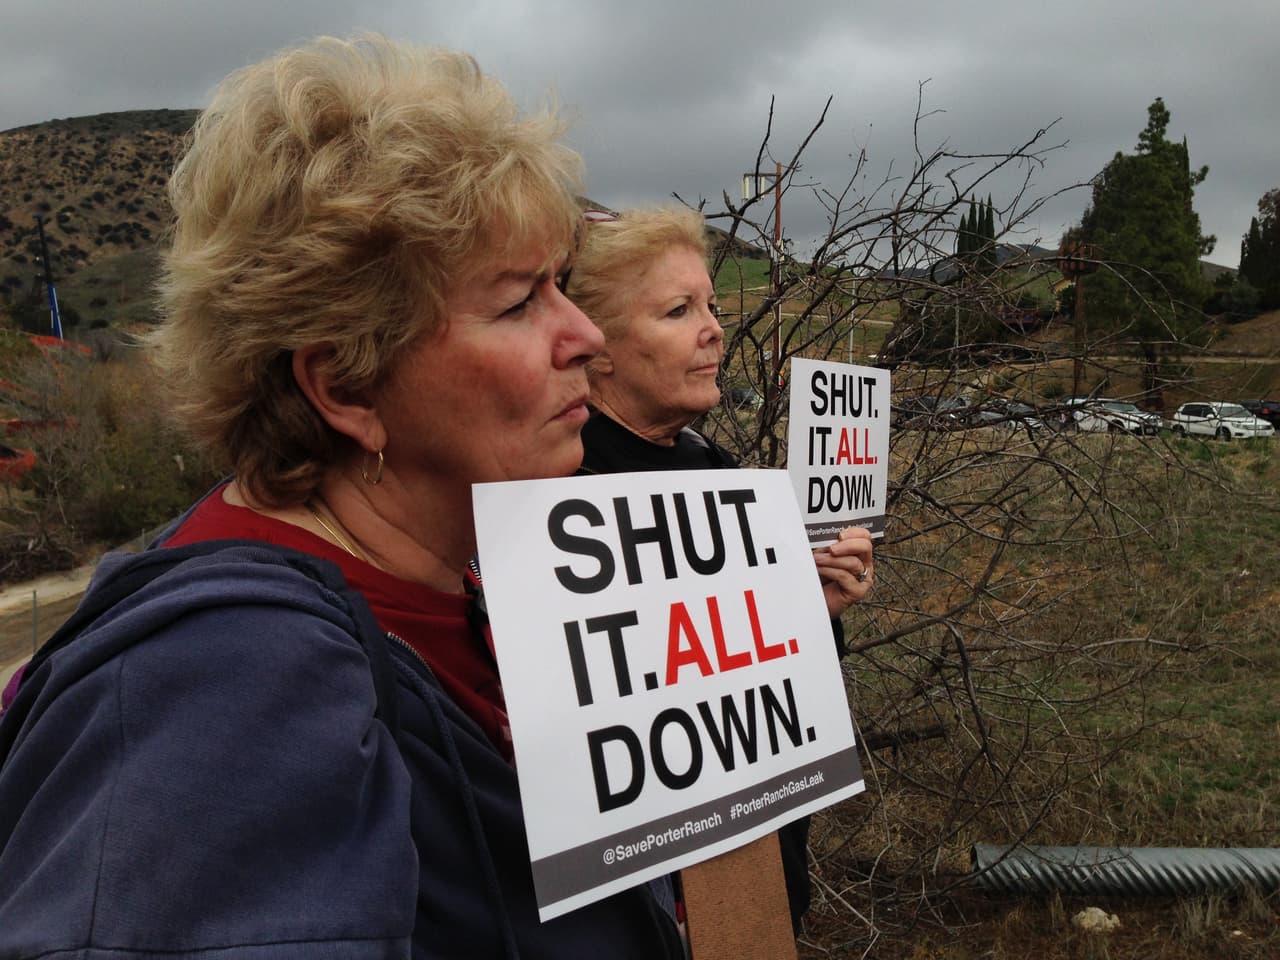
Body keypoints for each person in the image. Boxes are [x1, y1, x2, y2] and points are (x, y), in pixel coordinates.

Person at [0, 37, 683, 959]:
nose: (588, 335)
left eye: (562, 284)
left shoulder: (467, 579)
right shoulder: (228, 687)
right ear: (348, 386)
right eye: (521, 301)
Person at [564, 206, 874, 934]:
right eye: (678, 310)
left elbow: (768, 697)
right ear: (594, 346)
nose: (713, 328)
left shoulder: (714, 465)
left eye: (710, 304)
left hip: (759, 895)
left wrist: (813, 614)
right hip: (640, 918)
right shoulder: (558, 493)